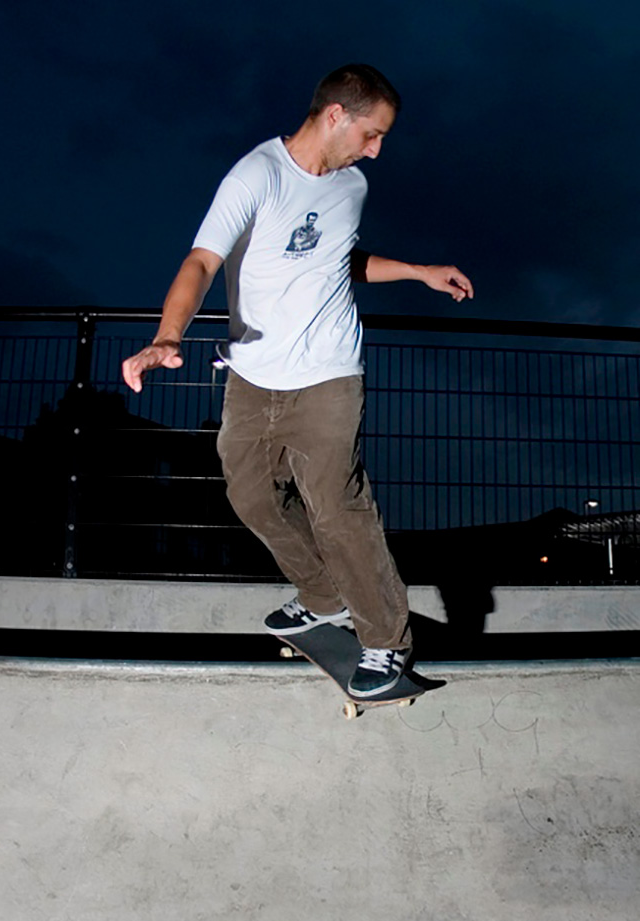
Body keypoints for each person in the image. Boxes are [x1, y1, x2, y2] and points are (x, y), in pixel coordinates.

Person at [122, 64, 474, 699]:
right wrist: (168, 336)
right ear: (335, 115)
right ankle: (323, 596)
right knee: (251, 495)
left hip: (328, 371)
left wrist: (419, 271)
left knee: (334, 502)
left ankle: (385, 641)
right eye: (372, 134)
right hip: (253, 375)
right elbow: (202, 260)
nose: (376, 151)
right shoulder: (255, 176)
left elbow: (344, 258)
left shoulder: (352, 187)